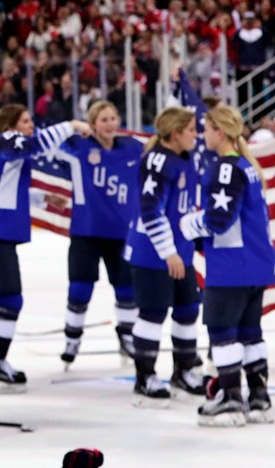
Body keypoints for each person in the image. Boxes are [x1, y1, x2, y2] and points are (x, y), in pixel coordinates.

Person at [0, 105, 90, 392]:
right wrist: (71, 125)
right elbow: (37, 144)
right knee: (9, 299)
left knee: (6, 299)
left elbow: (5, 189)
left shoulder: (4, 147)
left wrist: (43, 199)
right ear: (11, 125)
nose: (32, 126)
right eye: (26, 121)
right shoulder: (9, 141)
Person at [179, 105, 274, 426]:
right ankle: (260, 399)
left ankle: (231, 398)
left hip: (231, 266)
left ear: (220, 132)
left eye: (206, 129)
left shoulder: (225, 168)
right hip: (256, 264)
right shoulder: (247, 165)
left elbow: (218, 220)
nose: (203, 135)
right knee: (250, 334)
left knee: (223, 332)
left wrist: (188, 224)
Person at [124, 107, 205, 408]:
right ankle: (144, 377)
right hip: (153, 252)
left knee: (187, 309)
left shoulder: (184, 158)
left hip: (178, 249)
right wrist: (168, 250)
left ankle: (183, 371)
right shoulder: (157, 161)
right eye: (191, 130)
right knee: (153, 313)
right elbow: (150, 210)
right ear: (175, 134)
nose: (195, 135)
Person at [52, 101, 143, 367]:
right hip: (86, 233)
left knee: (126, 290)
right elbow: (46, 145)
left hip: (121, 234)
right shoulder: (79, 148)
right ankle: (72, 339)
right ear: (92, 124)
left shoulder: (132, 147)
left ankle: (127, 337)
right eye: (104, 119)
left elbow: (162, 146)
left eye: (113, 117)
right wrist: (73, 127)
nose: (110, 123)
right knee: (80, 289)